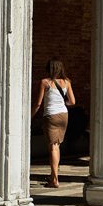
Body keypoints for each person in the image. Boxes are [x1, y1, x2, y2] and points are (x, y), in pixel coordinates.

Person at [31, 58, 75, 188]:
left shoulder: (44, 82)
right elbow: (72, 102)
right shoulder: (67, 82)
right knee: (57, 146)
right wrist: (61, 104)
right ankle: (53, 175)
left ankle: (54, 180)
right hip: (64, 115)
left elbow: (38, 103)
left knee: (52, 147)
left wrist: (30, 117)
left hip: (51, 116)